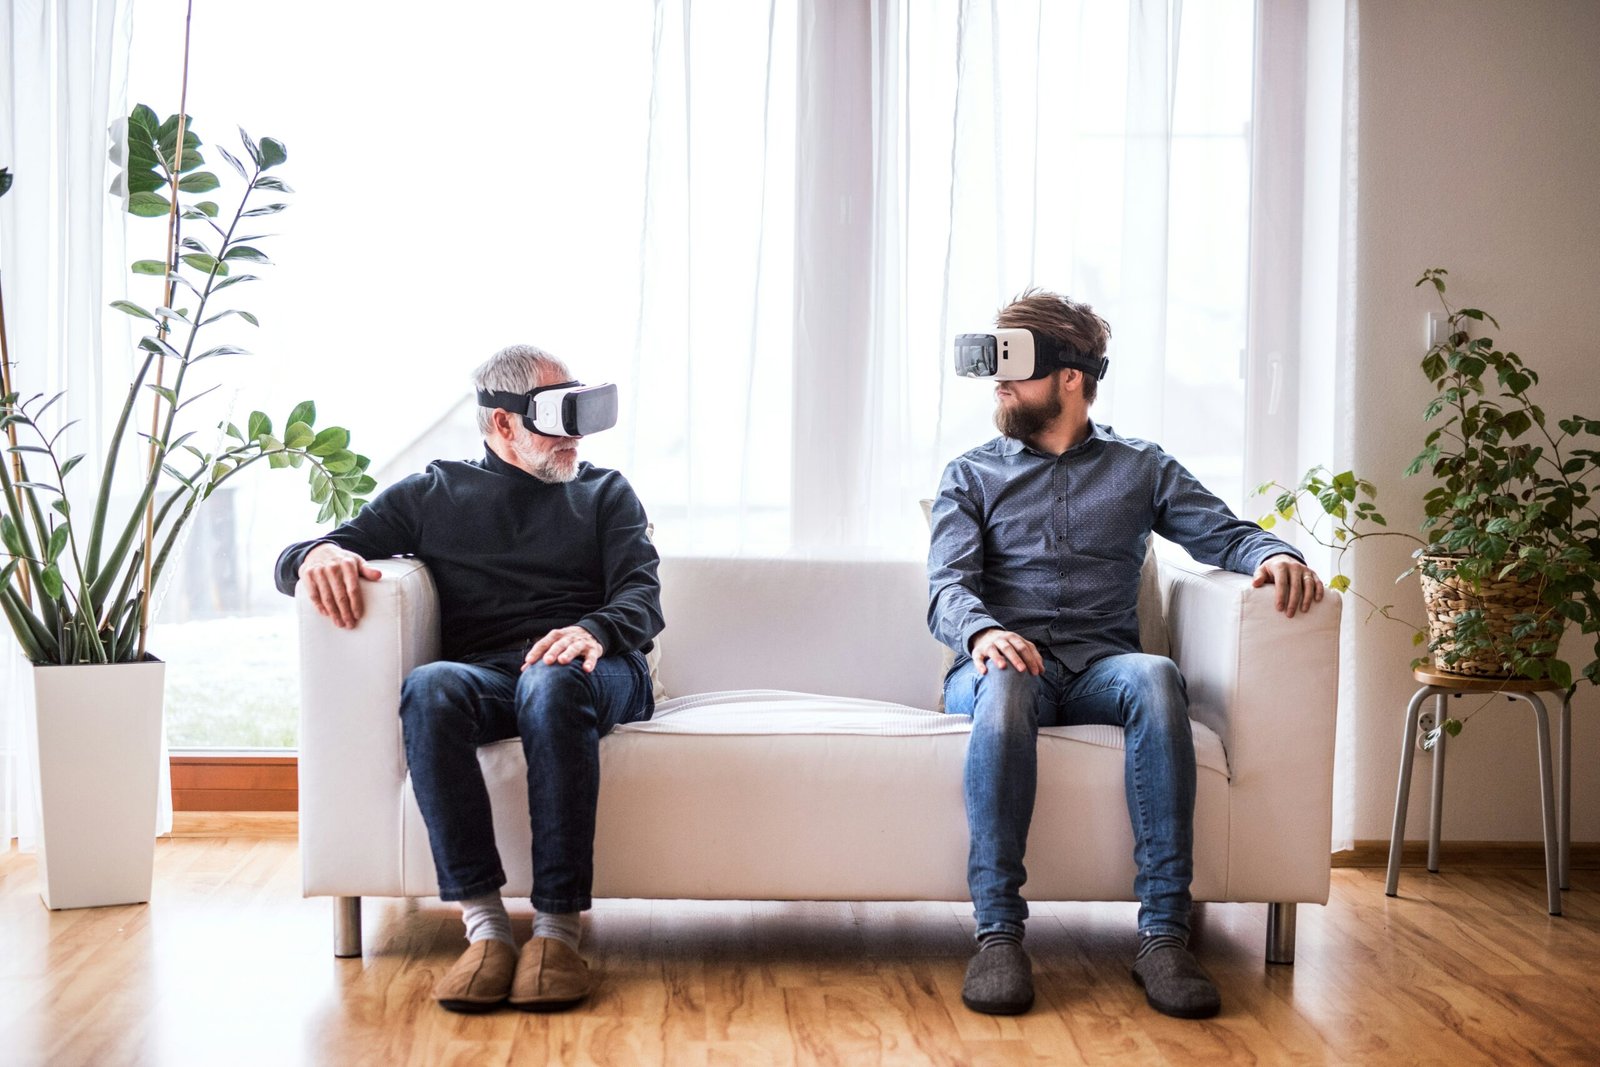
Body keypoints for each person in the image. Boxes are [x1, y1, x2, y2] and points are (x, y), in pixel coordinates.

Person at [927, 290, 1324, 1020]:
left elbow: (1223, 532)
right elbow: (946, 589)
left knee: (1155, 675)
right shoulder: (970, 474)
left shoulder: (1141, 467)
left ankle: (1164, 937)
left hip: (1100, 668)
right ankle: (999, 935)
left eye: (1015, 364)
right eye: (995, 364)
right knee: (1008, 678)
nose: (999, 382)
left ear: (1070, 376)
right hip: (996, 670)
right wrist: (983, 633)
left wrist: (1275, 553)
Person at [275, 344, 662, 1014]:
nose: (575, 434)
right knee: (429, 688)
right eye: (558, 415)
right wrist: (319, 554)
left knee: (552, 679)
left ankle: (556, 933)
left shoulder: (605, 492)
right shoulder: (434, 493)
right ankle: (485, 930)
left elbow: (643, 597)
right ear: (504, 422)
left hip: (597, 666)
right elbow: (296, 559)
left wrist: (593, 630)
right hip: (492, 674)